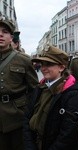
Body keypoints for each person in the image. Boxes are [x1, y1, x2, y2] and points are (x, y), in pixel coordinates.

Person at [24, 45, 78, 150]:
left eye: (49, 64)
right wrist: (30, 145)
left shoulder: (71, 94)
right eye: (42, 64)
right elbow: (26, 118)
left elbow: (68, 134)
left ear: (61, 67)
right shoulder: (39, 88)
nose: (43, 68)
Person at [0, 17, 39, 150]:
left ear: (11, 38)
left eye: (4, 32)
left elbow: (35, 89)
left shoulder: (23, 60)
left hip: (17, 118)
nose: (0, 34)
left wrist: (30, 115)